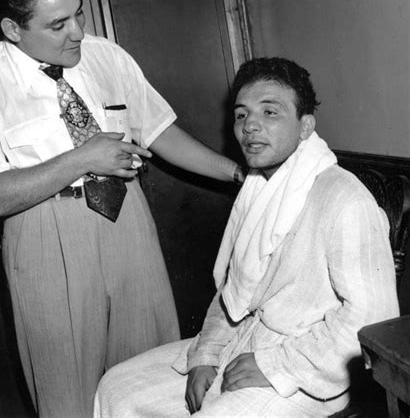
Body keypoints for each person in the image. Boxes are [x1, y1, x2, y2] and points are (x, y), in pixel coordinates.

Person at [0, 0, 244, 418]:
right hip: (45, 236)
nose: (78, 32)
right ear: (12, 29)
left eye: (78, 13)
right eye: (58, 25)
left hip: (128, 221)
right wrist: (82, 158)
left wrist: (240, 175)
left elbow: (161, 131)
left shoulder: (105, 56)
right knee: (68, 396)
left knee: (150, 379)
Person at [93, 57, 400, 417]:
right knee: (118, 387)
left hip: (308, 370)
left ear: (305, 127)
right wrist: (205, 355)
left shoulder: (345, 200)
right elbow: (232, 293)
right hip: (243, 343)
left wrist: (277, 367)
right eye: (241, 115)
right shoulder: (258, 188)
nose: (250, 125)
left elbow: (369, 320)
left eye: (270, 112)